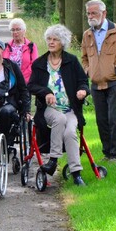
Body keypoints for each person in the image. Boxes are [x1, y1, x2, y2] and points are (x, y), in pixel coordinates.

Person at [28, 25, 90, 186]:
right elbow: (32, 85)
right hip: (49, 110)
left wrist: (82, 91)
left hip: (70, 109)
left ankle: (76, 173)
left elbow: (83, 82)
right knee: (60, 119)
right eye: (49, 39)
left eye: (55, 39)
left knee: (70, 132)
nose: (51, 42)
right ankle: (54, 159)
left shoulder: (72, 61)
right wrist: (46, 92)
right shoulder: (40, 63)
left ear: (63, 42)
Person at [81, 0, 116, 164]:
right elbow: (84, 58)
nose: (91, 16)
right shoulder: (87, 34)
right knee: (101, 120)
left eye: (94, 13)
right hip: (96, 84)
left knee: (114, 119)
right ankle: (107, 153)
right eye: (88, 13)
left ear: (104, 13)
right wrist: (88, 70)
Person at [0, 37, 31, 142]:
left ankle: (7, 141)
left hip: (8, 101)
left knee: (6, 112)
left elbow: (23, 88)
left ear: (2, 49)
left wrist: (26, 110)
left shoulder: (12, 66)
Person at [2, 18, 38, 83]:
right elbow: (2, 64)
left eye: (18, 29)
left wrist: (21, 78)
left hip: (25, 82)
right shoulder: (6, 46)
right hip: (9, 82)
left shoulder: (31, 46)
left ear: (24, 31)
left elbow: (34, 65)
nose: (15, 32)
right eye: (13, 30)